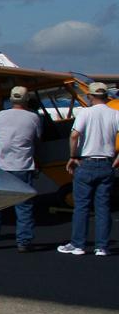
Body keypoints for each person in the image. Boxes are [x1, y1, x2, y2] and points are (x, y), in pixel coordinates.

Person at [58, 82, 118, 256]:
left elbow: (74, 135)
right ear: (106, 96)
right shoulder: (115, 114)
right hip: (107, 163)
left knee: (82, 207)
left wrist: (73, 156)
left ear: (90, 96)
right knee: (103, 207)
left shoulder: (85, 112)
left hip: (86, 162)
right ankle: (102, 246)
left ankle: (78, 245)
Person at [0, 86, 42, 252]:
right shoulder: (34, 117)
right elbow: (37, 138)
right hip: (23, 165)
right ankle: (23, 241)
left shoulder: (1, 115)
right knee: (24, 206)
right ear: (26, 100)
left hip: (1, 165)